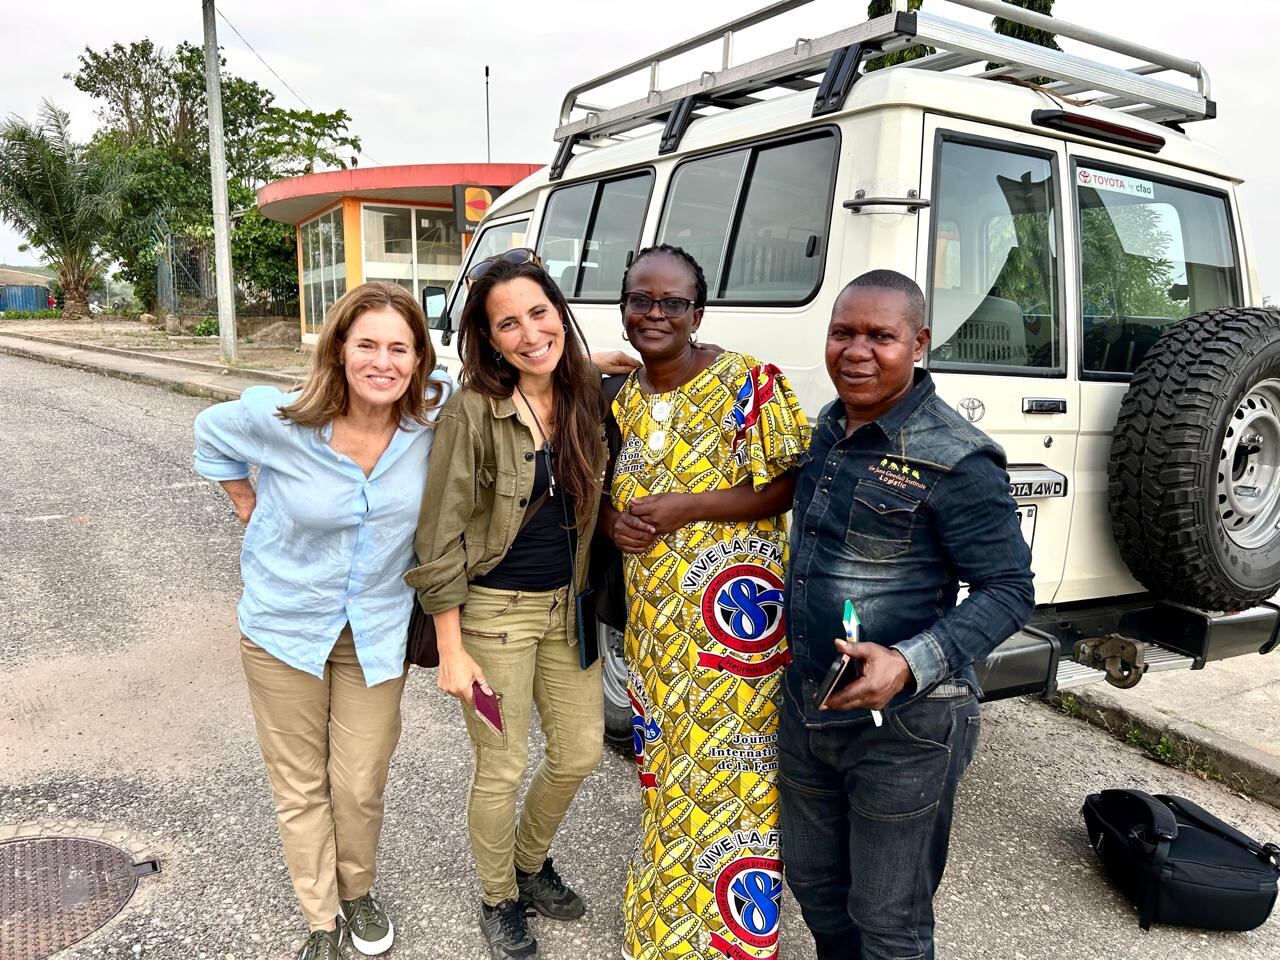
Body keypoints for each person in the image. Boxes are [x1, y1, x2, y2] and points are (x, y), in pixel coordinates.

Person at [778, 270, 1036, 960]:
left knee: (889, 920)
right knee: (814, 885)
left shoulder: (956, 458)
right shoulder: (827, 429)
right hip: (810, 704)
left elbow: (1010, 589)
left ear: (918, 343)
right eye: (843, 332)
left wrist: (908, 662)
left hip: (907, 727)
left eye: (880, 336)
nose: (856, 351)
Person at [193, 281, 450, 960]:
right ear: (338, 348)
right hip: (283, 627)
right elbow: (208, 435)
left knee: (359, 780)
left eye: (400, 348)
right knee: (300, 783)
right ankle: (321, 916)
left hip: (376, 629)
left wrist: (586, 360)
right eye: (367, 344)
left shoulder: (430, 419)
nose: (383, 362)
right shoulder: (277, 418)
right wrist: (244, 498)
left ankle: (358, 888)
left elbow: (511, 375)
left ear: (419, 358)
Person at [599, 244, 811, 960]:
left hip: (736, 630)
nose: (654, 314)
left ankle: (736, 941)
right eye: (641, 300)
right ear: (624, 308)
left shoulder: (750, 383)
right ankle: (662, 928)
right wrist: (614, 522)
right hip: (656, 626)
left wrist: (691, 506)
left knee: (740, 778)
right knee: (668, 780)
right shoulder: (625, 397)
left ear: (699, 312)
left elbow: (787, 484)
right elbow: (606, 499)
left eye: (672, 303)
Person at [405, 249, 613, 960]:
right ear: (488, 339)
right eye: (508, 324)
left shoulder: (586, 393)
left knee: (581, 752)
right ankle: (498, 897)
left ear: (560, 314)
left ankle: (529, 864)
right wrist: (452, 648)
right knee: (501, 765)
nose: (529, 334)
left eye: (539, 314)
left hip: (568, 612)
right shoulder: (472, 412)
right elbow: (438, 536)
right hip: (493, 618)